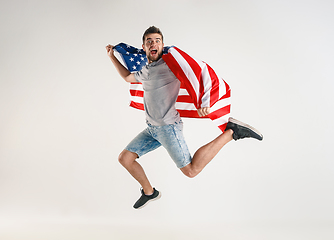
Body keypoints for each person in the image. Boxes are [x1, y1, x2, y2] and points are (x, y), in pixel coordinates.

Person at [106, 26, 263, 209]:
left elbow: (199, 71)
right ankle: (150, 192)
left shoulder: (170, 64)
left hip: (168, 128)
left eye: (157, 40)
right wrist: (112, 57)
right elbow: (127, 77)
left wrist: (204, 101)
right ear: (144, 47)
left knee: (191, 171)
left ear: (162, 44)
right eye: (149, 41)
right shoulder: (146, 70)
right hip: (152, 129)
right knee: (125, 158)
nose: (153, 43)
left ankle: (231, 133)